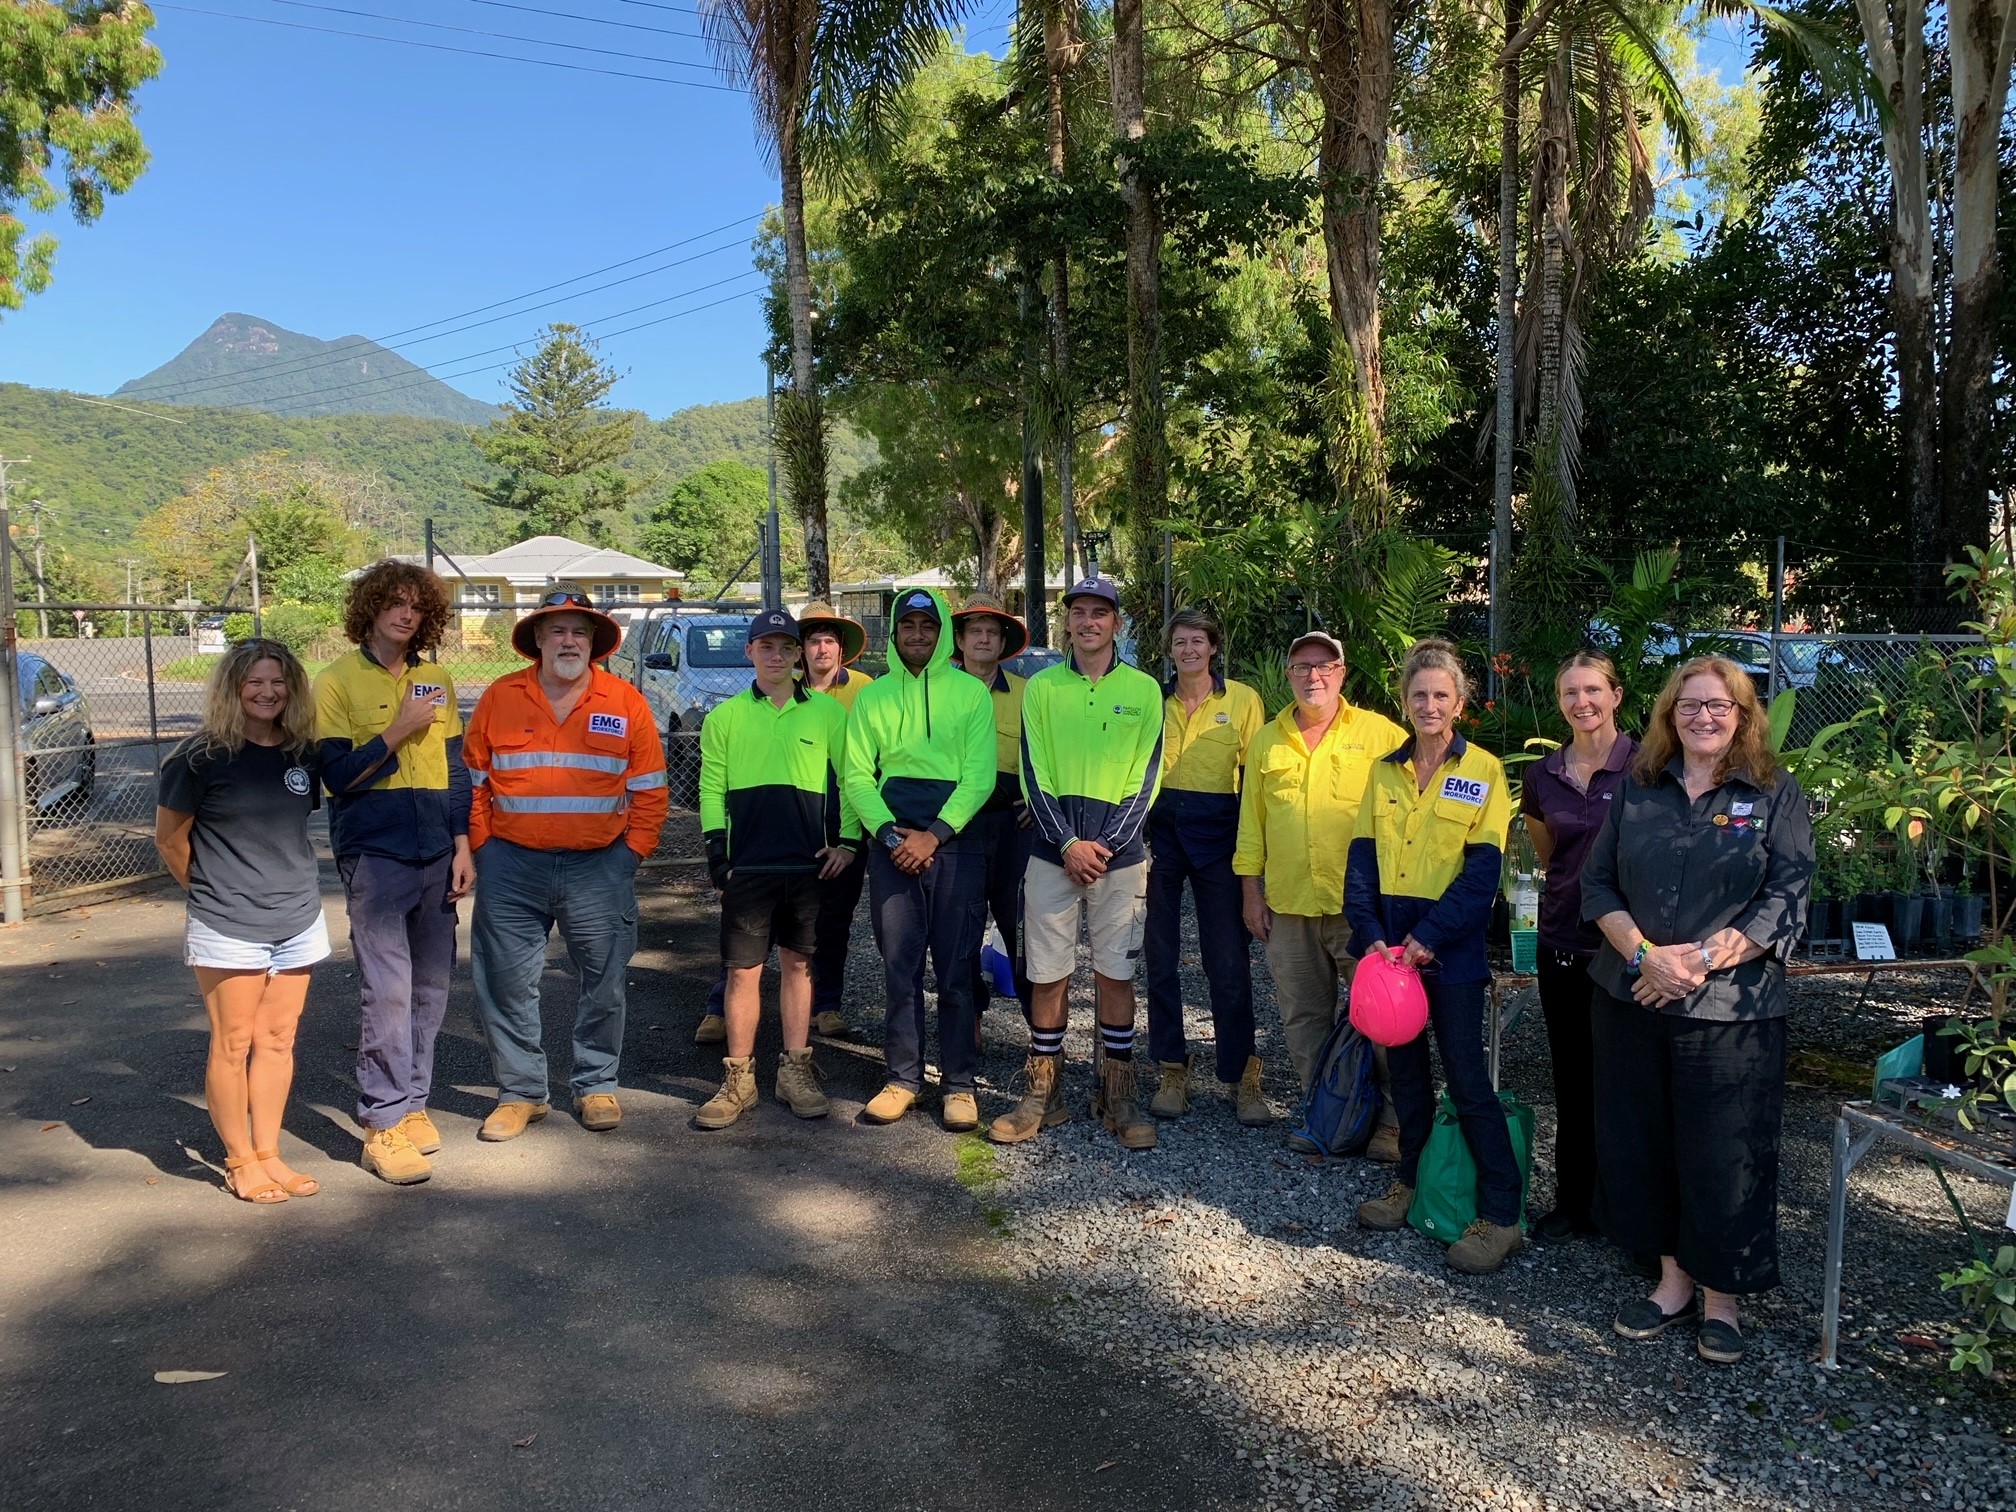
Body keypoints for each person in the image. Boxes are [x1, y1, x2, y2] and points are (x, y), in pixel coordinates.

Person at [1580, 656, 1813, 1365]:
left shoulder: (1775, 794)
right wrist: (1647, 956)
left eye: (1719, 706)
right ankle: (1672, 1281)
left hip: (1732, 1013)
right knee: (1642, 1140)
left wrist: (1696, 963)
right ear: (1667, 715)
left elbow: (1787, 898)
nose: (1703, 717)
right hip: (1633, 997)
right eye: (1689, 706)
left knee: (1723, 1154)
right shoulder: (1638, 791)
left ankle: (1722, 1298)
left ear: (1742, 715)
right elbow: (1596, 886)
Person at [462, 588, 669, 1141]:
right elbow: (475, 781)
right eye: (557, 630)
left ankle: (596, 1082)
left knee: (604, 982)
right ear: (537, 640)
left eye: (579, 631)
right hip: (511, 866)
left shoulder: (624, 701)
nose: (569, 640)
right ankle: (521, 1093)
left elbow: (650, 790)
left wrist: (630, 855)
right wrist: (482, 846)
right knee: (506, 982)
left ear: (595, 642)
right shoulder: (499, 698)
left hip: (599, 867)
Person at [1346, 638, 1523, 1276]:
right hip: (1388, 951)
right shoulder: (1383, 770)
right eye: (1418, 694)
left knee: (1467, 1081)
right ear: (1405, 698)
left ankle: (1501, 1215)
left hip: (1447, 952)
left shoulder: (1483, 772)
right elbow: (1361, 861)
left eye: (1440, 695)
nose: (1429, 705)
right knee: (1408, 1077)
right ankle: (1412, 1185)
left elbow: (1482, 877)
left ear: (1460, 701)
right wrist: (1370, 933)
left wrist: (1428, 938)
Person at [314, 561, 474, 1186]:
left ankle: (413, 1104)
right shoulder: (334, 682)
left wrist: (463, 845)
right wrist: (397, 730)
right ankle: (381, 1124)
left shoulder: (437, 678)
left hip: (438, 849)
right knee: (387, 989)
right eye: (394, 604)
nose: (405, 615)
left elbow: (456, 769)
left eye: (416, 606)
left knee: (432, 987)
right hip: (375, 854)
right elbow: (335, 777)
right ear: (371, 609)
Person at [991, 575, 1164, 1151]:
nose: (1089, 622)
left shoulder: (1143, 691)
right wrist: (1067, 843)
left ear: (1117, 623)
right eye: (1079, 613)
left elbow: (1147, 778)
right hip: (1051, 853)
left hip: (1120, 859)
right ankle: (1045, 1089)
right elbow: (1032, 772)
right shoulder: (1041, 688)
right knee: (1047, 971)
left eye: (1100, 613)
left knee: (1116, 971)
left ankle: (1118, 1089)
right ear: (1067, 622)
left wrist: (1105, 847)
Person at [155, 639, 327, 1205]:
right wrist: (211, 892)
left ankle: (269, 1152)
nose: (267, 692)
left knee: (278, 1040)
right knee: (233, 1042)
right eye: (254, 681)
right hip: (227, 922)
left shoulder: (301, 754)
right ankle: (238, 1161)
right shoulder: (197, 758)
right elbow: (171, 840)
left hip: (298, 917)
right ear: (232, 687)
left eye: (277, 682)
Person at [1233, 630, 1407, 1153]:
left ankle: (1392, 1121)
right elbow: (1252, 824)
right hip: (1288, 904)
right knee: (1303, 1016)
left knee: (1381, 1015)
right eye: (1302, 666)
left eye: (1324, 666)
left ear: (1341, 673)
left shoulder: (1381, 735)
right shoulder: (1267, 739)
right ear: (1288, 675)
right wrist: (1251, 892)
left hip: (1363, 910)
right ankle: (1325, 1113)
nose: (1314, 676)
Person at [693, 609, 860, 1128]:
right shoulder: (725, 718)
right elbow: (711, 787)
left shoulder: (830, 715)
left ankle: (795, 1071)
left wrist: (849, 841)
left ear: (797, 654)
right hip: (750, 868)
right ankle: (738, 1079)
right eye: (765, 646)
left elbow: (851, 777)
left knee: (798, 967)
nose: (776, 655)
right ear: (749, 653)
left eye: (785, 647)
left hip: (808, 866)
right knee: (742, 972)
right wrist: (718, 857)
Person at [843, 588, 996, 1129]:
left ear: (942, 633)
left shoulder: (971, 695)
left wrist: (932, 836)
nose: (917, 635)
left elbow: (979, 777)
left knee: (956, 968)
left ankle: (959, 1084)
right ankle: (903, 1077)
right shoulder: (873, 696)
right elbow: (857, 774)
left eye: (927, 626)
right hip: (891, 848)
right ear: (894, 631)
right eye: (906, 626)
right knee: (899, 968)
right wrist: (889, 836)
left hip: (956, 847)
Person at [1518, 651, 1635, 1240]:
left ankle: (1627, 1208)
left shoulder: (1650, 766)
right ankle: (1573, 1202)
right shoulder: (1541, 778)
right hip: (1564, 941)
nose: (1582, 702)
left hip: (1633, 950)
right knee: (1571, 1076)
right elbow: (1551, 858)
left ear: (1616, 695)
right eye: (1570, 692)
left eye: (1593, 690)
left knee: (1629, 1080)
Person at [1145, 608, 1266, 1122]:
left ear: (1213, 647)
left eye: (1198, 641)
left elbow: (1254, 781)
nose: (1189, 650)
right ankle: (1172, 1067)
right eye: (1180, 642)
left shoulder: (1242, 700)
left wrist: (1252, 865)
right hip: (1161, 831)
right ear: (1169, 649)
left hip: (1221, 832)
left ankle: (1242, 1075)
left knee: (1228, 961)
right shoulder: (1152, 699)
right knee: (1160, 954)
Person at [951, 590, 1033, 1022]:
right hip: (957, 827)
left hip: (1012, 827)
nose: (984, 638)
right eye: (975, 631)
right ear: (960, 640)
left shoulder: (1028, 693)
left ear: (1003, 643)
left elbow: (1048, 757)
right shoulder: (942, 692)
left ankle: (1042, 1036)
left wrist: (1037, 804)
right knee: (960, 927)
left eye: (992, 632)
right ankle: (969, 1021)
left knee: (1021, 927)